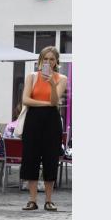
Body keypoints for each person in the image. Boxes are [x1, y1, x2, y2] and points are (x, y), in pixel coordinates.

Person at [20, 46, 67, 211]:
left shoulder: (61, 78)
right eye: (45, 59)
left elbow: (55, 101)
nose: (48, 62)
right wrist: (46, 104)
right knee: (31, 158)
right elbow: (26, 99)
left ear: (56, 61)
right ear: (40, 60)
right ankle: (32, 200)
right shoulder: (31, 76)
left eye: (51, 59)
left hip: (52, 122)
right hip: (33, 120)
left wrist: (52, 85)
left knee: (50, 159)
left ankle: (49, 200)